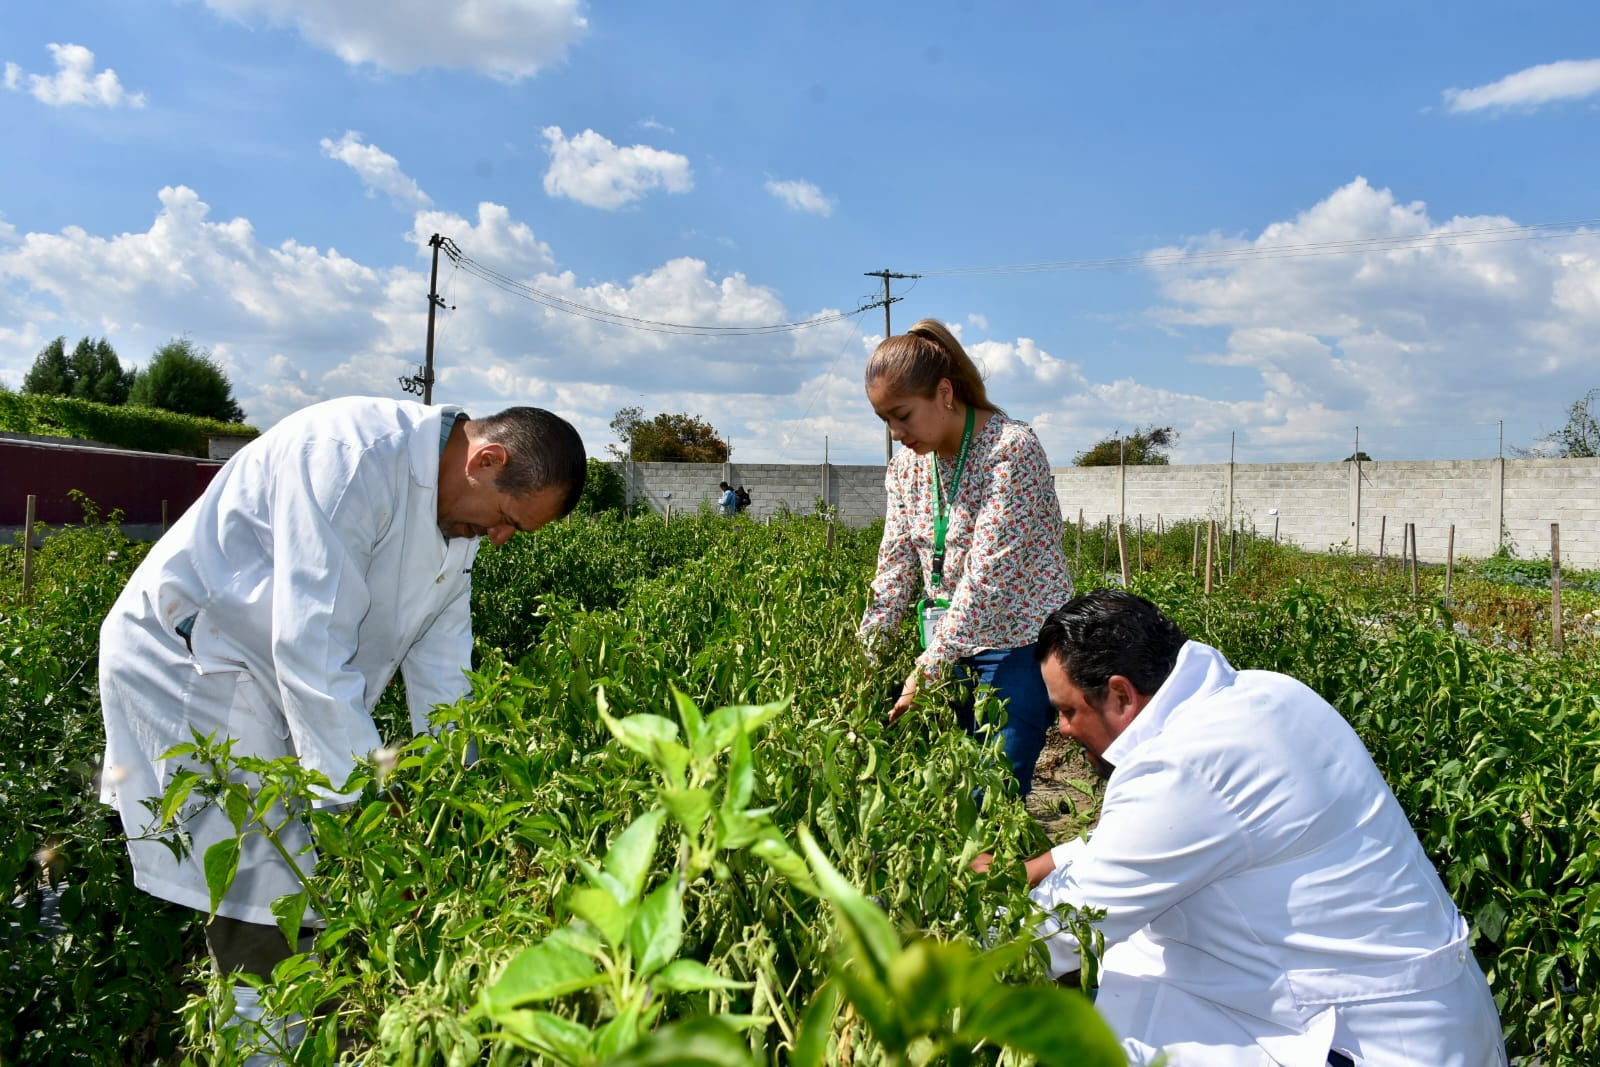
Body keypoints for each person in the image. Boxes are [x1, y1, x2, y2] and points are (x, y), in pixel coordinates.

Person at [98, 396, 586, 1061]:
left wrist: (466, 805)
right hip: (197, 667)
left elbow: (444, 670)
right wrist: (365, 811)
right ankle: (261, 1045)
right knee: (264, 901)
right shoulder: (351, 457)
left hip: (268, 683)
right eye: (506, 519)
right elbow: (311, 650)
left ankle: (293, 1030)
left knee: (302, 887)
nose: (500, 538)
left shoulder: (456, 520)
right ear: (486, 458)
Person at [978, 590, 1506, 1066]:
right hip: (1436, 1014)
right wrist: (1038, 865)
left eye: (1067, 711)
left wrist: (926, 933)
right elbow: (1153, 837)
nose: (1062, 729)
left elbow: (1057, 931)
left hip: (1360, 1041)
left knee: (1115, 1009)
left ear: (1120, 695)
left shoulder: (1185, 767)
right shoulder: (1260, 694)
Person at [858, 318, 1073, 796]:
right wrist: (867, 662)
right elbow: (893, 569)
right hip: (947, 646)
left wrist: (925, 669)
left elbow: (987, 580)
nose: (895, 432)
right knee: (946, 790)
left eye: (903, 414)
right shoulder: (907, 468)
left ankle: (1000, 869)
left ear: (945, 393)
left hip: (1016, 641)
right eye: (885, 420)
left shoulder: (1009, 451)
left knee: (990, 793)